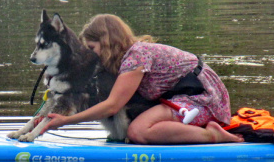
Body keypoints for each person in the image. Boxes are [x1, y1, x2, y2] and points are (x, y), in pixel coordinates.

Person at [41, 14, 243, 144]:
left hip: (203, 99)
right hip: (185, 98)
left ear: (106, 43)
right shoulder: (126, 56)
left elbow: (112, 106)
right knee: (135, 128)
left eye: (93, 48)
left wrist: (67, 120)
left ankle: (213, 135)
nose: (93, 56)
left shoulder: (136, 57)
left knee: (138, 132)